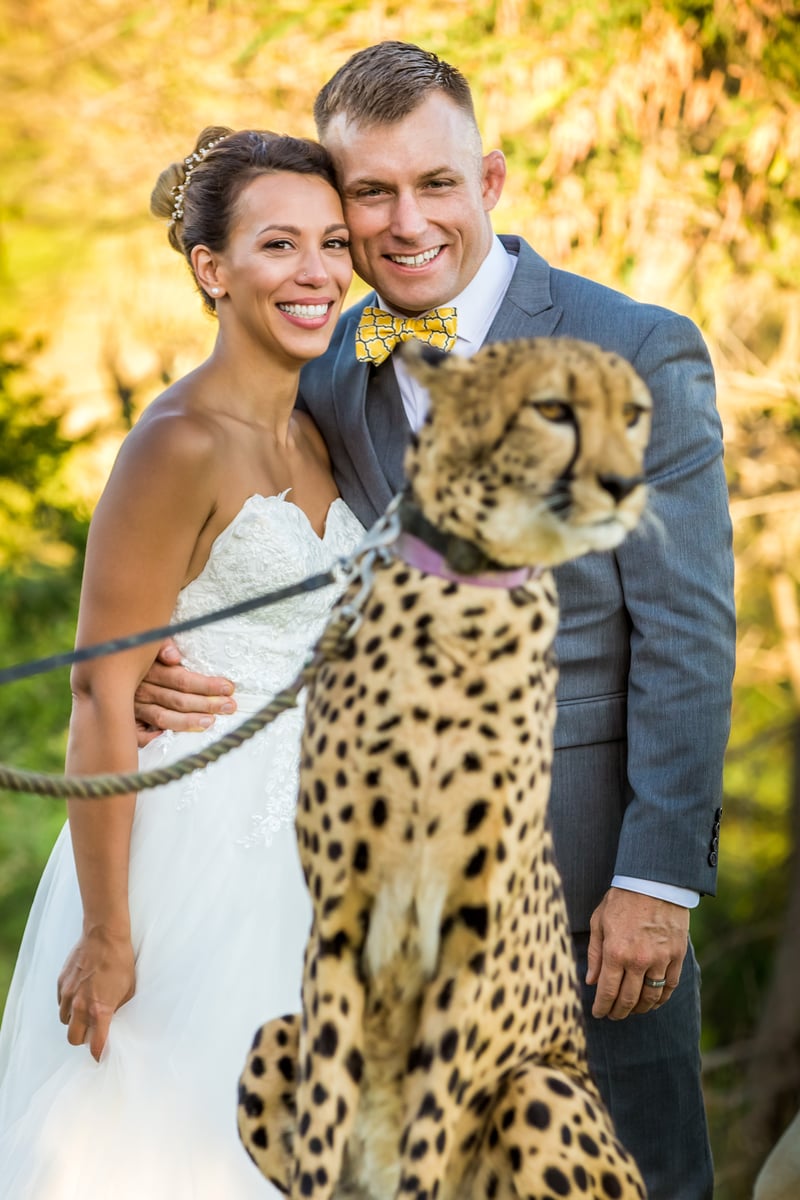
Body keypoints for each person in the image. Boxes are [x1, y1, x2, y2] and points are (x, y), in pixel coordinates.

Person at [135, 43, 735, 1200]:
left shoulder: (632, 345)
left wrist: (658, 882)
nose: (406, 223)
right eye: (371, 192)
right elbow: (244, 524)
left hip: (582, 887)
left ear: (489, 180)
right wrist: (167, 654)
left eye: (436, 183)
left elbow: (688, 631)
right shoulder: (321, 367)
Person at [0, 126, 364, 1198]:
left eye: (332, 243)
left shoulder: (318, 433)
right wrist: (109, 930)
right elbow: (101, 690)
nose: (316, 272)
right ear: (212, 268)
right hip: (199, 851)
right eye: (279, 245)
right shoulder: (176, 442)